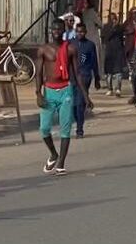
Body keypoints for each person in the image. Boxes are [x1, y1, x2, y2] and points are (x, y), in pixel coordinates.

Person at [36, 20, 91, 175]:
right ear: (50, 31)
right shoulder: (43, 50)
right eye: (54, 29)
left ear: (64, 30)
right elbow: (39, 74)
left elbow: (77, 73)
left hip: (66, 91)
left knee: (65, 129)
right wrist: (38, 93)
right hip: (49, 91)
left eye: (59, 29)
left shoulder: (71, 49)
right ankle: (53, 154)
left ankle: (61, 163)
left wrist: (86, 96)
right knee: (44, 128)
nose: (56, 31)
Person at [71, 22, 100, 138]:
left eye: (82, 32)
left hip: (85, 76)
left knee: (80, 103)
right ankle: (78, 121)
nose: (80, 34)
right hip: (72, 77)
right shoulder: (71, 44)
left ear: (85, 32)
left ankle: (79, 129)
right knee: (73, 105)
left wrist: (97, 77)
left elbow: (94, 62)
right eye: (78, 32)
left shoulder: (90, 45)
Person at [101, 13, 126, 97]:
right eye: (112, 19)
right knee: (109, 72)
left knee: (118, 71)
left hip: (118, 50)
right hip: (109, 51)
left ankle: (118, 89)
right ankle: (109, 89)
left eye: (115, 18)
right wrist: (112, 29)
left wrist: (116, 27)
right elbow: (105, 37)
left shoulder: (120, 27)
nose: (114, 20)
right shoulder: (106, 27)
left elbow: (122, 37)